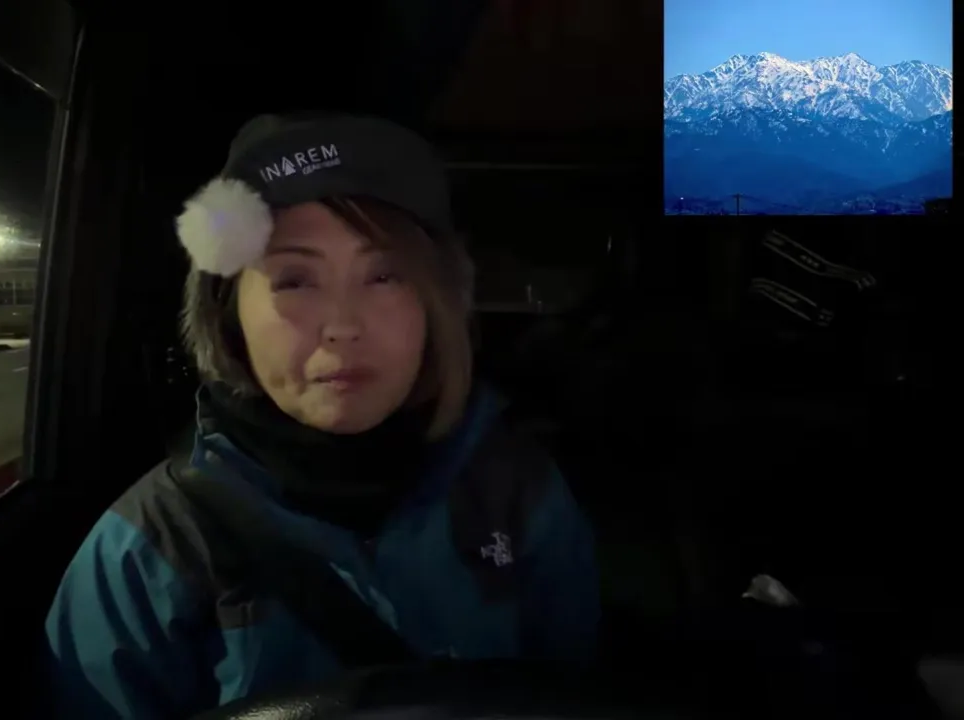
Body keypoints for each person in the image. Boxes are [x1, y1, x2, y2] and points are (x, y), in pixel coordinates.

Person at [44, 113, 600, 719]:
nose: (343, 326)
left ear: (436, 303)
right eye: (294, 280)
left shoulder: (519, 497)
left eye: (384, 275)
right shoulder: (149, 550)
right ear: (229, 315)